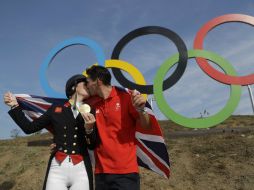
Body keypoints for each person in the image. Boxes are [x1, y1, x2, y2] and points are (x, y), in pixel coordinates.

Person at [3, 74, 96, 190]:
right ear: (74, 87)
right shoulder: (56, 109)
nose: (88, 85)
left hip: (81, 167)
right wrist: (14, 107)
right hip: (58, 167)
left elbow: (93, 144)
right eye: (84, 83)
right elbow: (29, 128)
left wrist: (89, 128)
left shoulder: (91, 111)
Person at [85, 65, 152, 190]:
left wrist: (141, 110)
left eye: (88, 82)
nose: (87, 86)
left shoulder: (125, 98)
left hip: (125, 173)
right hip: (101, 173)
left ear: (98, 81)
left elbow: (146, 126)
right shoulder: (92, 105)